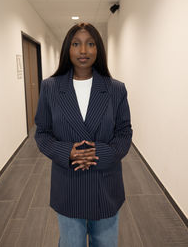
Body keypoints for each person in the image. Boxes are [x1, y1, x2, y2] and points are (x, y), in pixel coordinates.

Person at [34, 22, 133, 247]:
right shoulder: (50, 87)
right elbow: (42, 133)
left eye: (90, 44)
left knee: (106, 243)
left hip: (105, 183)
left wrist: (100, 153)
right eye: (76, 44)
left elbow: (124, 133)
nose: (83, 50)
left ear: (98, 49)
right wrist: (66, 151)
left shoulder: (116, 89)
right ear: (67, 49)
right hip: (68, 184)